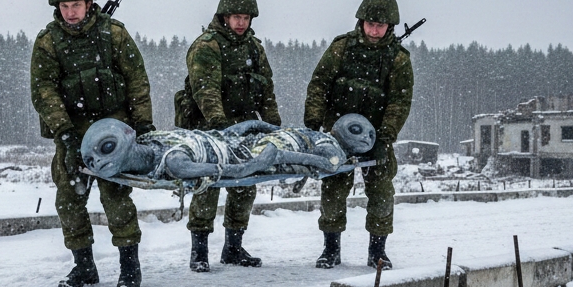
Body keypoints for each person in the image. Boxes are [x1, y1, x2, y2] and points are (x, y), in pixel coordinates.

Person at [30, 0, 154, 287]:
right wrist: (66, 133)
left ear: (89, 3)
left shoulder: (113, 33)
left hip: (112, 129)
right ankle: (84, 267)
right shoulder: (48, 43)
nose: (70, 12)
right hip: (72, 132)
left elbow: (137, 80)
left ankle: (130, 267)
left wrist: (143, 124)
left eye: (76, 5)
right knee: (69, 200)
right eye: (64, 6)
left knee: (116, 197)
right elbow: (43, 91)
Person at [304, 0, 414, 270]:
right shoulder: (342, 47)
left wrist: (386, 135)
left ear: (390, 27)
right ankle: (330, 249)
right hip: (337, 134)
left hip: (376, 136)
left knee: (381, 191)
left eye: (381, 25)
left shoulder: (398, 58)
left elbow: (399, 100)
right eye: (370, 23)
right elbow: (320, 83)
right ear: (361, 22)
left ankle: (378, 251)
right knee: (333, 188)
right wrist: (314, 121)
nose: (374, 30)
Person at [175, 0, 281, 272]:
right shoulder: (207, 46)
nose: (241, 23)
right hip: (209, 129)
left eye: (245, 17)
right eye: (236, 17)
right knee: (207, 185)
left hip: (245, 126)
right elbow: (205, 90)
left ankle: (233, 247)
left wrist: (273, 126)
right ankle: (199, 251)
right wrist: (220, 126)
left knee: (245, 186)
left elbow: (266, 90)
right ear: (224, 16)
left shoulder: (254, 48)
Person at [79, 114, 376, 187]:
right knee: (280, 147)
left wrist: (257, 128)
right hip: (248, 150)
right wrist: (274, 155)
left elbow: (331, 162)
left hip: (244, 143)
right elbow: (237, 170)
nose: (100, 162)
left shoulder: (153, 140)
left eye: (105, 149)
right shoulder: (175, 163)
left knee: (284, 143)